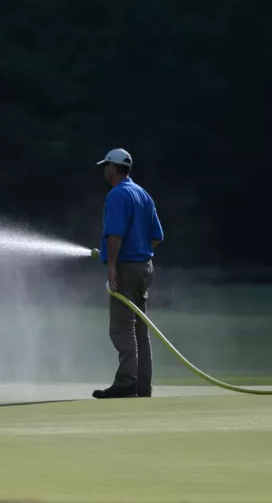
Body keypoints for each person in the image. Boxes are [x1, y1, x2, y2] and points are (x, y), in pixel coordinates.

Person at [93, 148, 164, 399]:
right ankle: (142, 386)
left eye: (106, 165)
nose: (104, 169)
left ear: (113, 167)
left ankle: (126, 383)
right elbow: (157, 237)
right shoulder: (143, 194)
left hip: (127, 267)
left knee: (122, 328)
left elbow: (115, 235)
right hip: (146, 267)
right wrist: (140, 250)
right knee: (140, 330)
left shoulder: (117, 195)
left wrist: (112, 267)